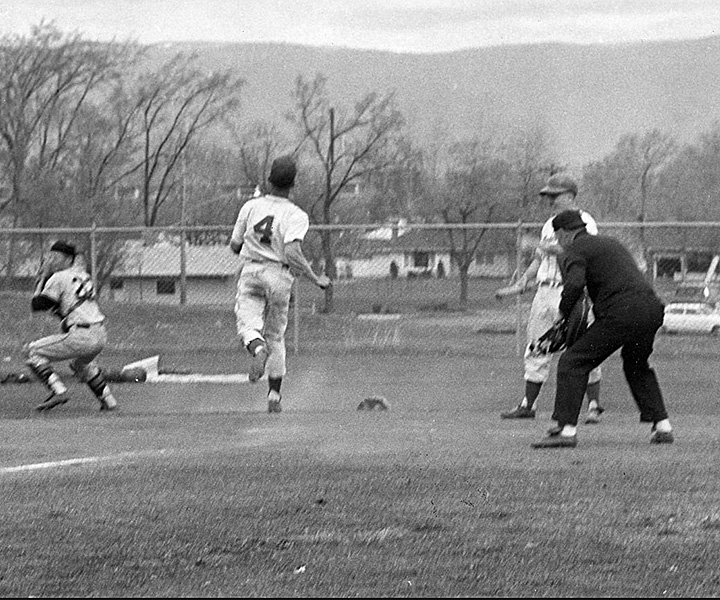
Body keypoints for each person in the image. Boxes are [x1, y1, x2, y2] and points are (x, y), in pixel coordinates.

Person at [532, 210, 673, 448]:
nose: (558, 241)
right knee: (637, 365)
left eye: (558, 236)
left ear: (564, 233)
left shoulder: (575, 249)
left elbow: (575, 284)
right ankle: (663, 427)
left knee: (573, 361)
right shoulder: (609, 243)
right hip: (651, 309)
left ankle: (566, 431)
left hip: (621, 312)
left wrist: (562, 314)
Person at [230, 154, 331, 413]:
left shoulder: (251, 207)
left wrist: (245, 247)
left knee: (248, 325)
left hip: (252, 270)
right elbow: (293, 253)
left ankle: (257, 348)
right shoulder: (296, 215)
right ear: (293, 184)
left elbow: (235, 244)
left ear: (269, 180)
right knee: (277, 336)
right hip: (279, 275)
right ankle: (274, 394)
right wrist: (315, 277)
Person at [501, 174, 604, 423]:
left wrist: (553, 248)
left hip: (571, 290)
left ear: (569, 195)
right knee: (536, 346)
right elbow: (539, 259)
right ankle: (529, 404)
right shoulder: (549, 224)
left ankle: (593, 406)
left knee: (581, 348)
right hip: (544, 291)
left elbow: (584, 254)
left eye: (554, 196)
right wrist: (521, 283)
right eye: (547, 196)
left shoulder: (585, 221)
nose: (549, 201)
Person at [25, 241, 118, 412]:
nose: (51, 260)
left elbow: (38, 304)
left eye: (55, 257)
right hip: (100, 333)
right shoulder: (82, 274)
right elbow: (66, 306)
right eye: (50, 256)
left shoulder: (59, 276)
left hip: (82, 335)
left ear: (68, 259)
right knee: (81, 366)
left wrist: (43, 277)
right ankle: (109, 401)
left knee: (32, 351)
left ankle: (59, 391)